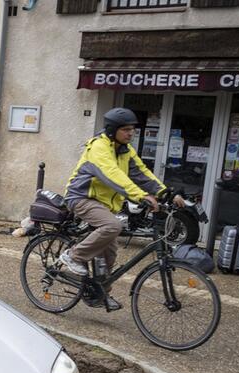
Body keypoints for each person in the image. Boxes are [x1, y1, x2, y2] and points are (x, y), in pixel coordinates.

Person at [59, 107, 182, 310]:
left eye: (132, 129)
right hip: (81, 197)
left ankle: (99, 294)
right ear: (112, 130)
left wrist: (165, 192)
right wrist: (141, 196)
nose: (130, 133)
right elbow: (113, 175)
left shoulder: (125, 150)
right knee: (112, 226)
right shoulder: (99, 147)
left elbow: (142, 173)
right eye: (126, 129)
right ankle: (73, 256)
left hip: (104, 204)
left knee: (110, 251)